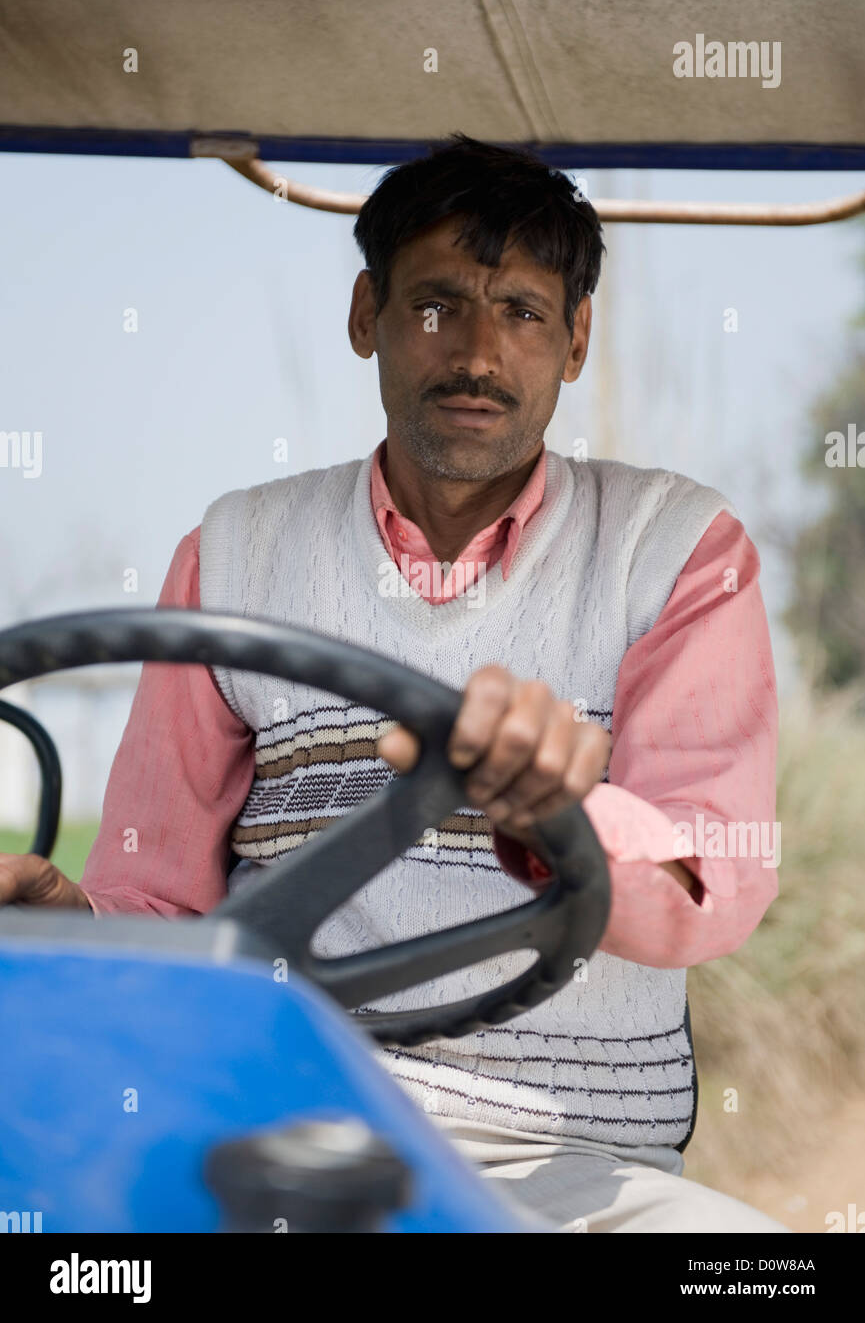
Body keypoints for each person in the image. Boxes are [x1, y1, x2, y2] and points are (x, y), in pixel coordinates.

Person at [0, 134, 788, 1233]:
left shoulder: (678, 549)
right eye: (436, 305)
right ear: (367, 314)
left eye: (520, 310)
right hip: (276, 1111)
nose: (475, 351)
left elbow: (716, 887)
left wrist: (559, 816)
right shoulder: (232, 552)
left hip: (572, 1158)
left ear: (576, 339)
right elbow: (161, 898)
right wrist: (79, 917)